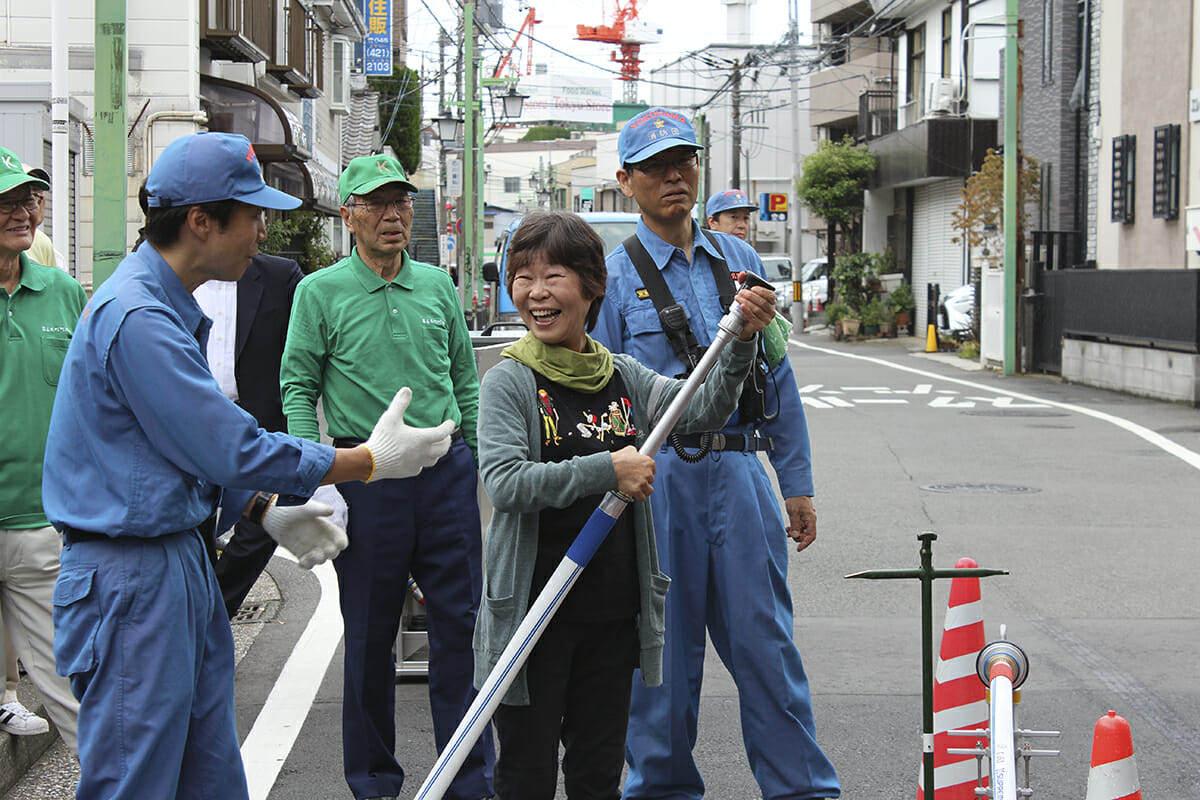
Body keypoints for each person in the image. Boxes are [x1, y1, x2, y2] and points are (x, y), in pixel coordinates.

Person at [41, 131, 455, 800]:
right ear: (201, 221)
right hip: (132, 573)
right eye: (252, 214)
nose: (263, 230)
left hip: (172, 561)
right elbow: (225, 446)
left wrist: (262, 506)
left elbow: (179, 454)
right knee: (137, 780)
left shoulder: (165, 306)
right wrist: (366, 462)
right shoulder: (140, 317)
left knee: (209, 776)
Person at [474, 210, 776, 800]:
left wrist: (740, 342)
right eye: (522, 277)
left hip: (611, 613)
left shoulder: (623, 376)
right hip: (533, 617)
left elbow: (701, 410)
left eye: (553, 276)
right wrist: (607, 469)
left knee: (596, 777)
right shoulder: (509, 381)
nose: (535, 293)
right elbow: (506, 483)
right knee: (526, 779)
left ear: (590, 286)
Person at [591, 107, 841, 800]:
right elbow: (606, 396)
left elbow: (776, 375)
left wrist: (795, 481)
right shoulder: (612, 279)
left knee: (768, 648)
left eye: (684, 161)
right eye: (655, 167)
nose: (674, 176)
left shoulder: (743, 263)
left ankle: (802, 790)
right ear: (626, 181)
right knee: (661, 661)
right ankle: (662, 789)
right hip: (657, 479)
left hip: (739, 469)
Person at [281, 153, 494, 800]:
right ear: (348, 215)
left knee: (463, 630)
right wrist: (310, 477)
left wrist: (483, 464)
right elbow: (297, 386)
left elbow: (464, 379)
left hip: (445, 473)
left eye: (400, 201)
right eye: (374, 203)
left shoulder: (435, 286)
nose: (392, 214)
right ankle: (374, 783)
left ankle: (467, 780)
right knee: (371, 637)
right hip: (364, 475)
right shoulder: (318, 292)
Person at [195, 252, 342, 618]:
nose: (261, 229)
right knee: (192, 531)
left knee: (260, 528)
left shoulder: (280, 276)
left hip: (259, 426)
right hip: (193, 422)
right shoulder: (166, 280)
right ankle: (197, 621)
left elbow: (307, 351)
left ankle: (213, 612)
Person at [0, 145, 83, 751]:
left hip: (41, 522)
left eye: (26, 197)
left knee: (74, 692)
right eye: (5, 200)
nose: (22, 210)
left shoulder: (62, 292)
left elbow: (97, 398)